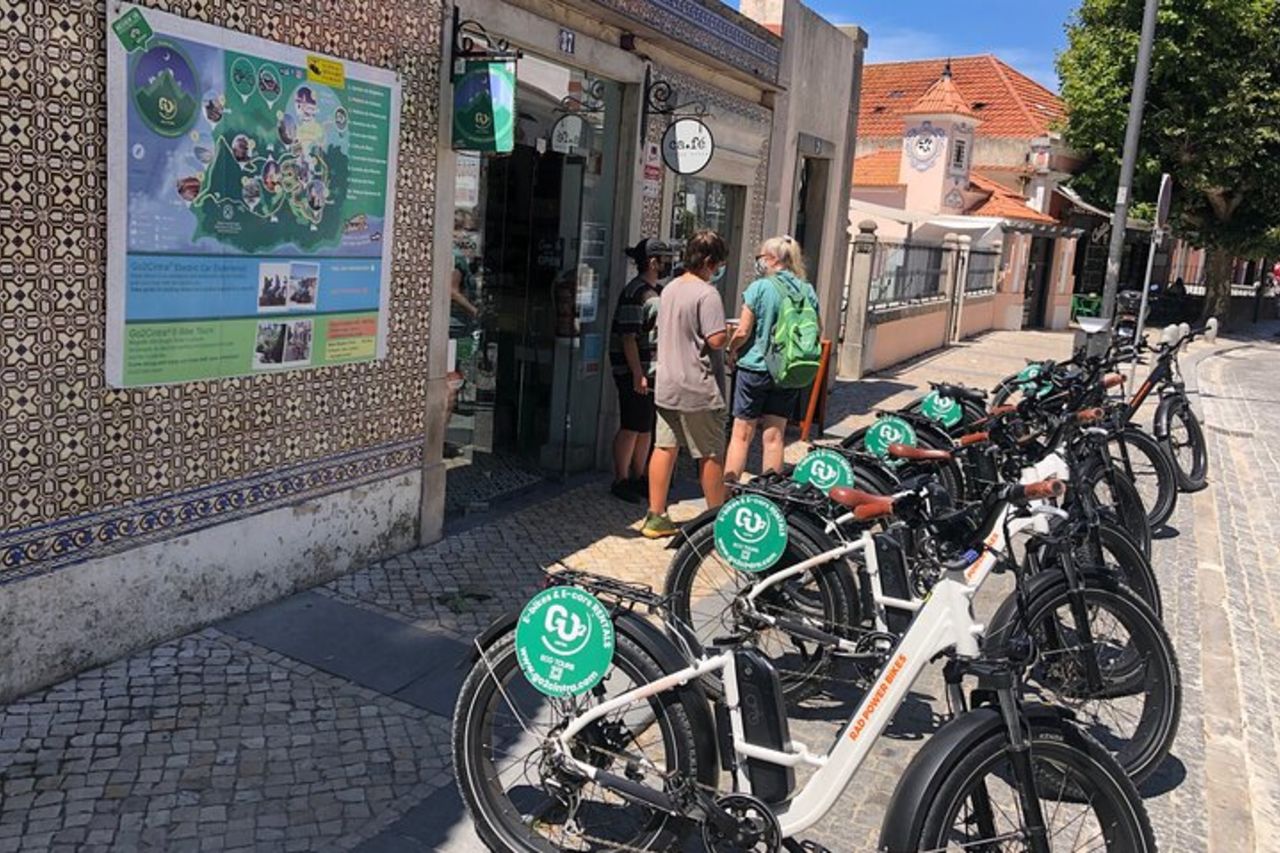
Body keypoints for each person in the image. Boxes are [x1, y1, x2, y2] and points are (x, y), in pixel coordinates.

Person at [644, 230, 730, 538]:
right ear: (708, 261)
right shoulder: (708, 294)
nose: (718, 270)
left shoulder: (669, 289)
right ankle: (716, 522)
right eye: (718, 264)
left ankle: (655, 515)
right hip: (698, 385)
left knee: (664, 447)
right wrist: (730, 333)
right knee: (709, 454)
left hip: (667, 382)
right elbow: (716, 339)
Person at [725, 235, 820, 482]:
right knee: (774, 435)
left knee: (741, 434)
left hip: (754, 368)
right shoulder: (806, 290)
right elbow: (816, 329)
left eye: (760, 257)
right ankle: (770, 494)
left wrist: (731, 349)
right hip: (787, 371)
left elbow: (744, 331)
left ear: (772, 259)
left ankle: (726, 495)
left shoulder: (759, 288)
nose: (758, 262)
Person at [608, 238, 678, 503]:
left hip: (652, 371)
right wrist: (637, 373)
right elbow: (628, 337)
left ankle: (639, 475)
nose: (668, 265)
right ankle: (621, 478)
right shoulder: (635, 293)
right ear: (652, 262)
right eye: (664, 259)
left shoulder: (656, 291)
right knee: (631, 425)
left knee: (646, 425)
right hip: (634, 371)